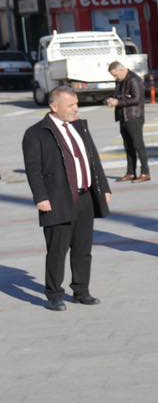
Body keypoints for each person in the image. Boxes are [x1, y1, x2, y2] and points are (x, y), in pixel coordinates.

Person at [22, 87, 111, 311]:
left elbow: (93, 159)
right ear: (54, 107)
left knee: (83, 248)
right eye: (70, 105)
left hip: (85, 197)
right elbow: (33, 170)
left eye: (76, 104)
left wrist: (103, 187)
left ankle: (81, 291)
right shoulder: (36, 133)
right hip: (57, 199)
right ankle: (54, 294)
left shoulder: (80, 127)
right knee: (57, 249)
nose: (76, 109)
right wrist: (40, 197)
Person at [106, 60, 149, 182]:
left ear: (122, 70)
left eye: (115, 75)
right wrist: (110, 100)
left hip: (134, 117)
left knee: (138, 144)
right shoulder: (120, 81)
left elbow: (136, 99)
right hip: (123, 117)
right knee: (128, 146)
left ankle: (145, 172)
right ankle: (130, 172)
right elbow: (118, 95)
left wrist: (118, 102)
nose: (115, 77)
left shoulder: (134, 79)